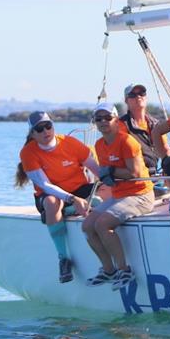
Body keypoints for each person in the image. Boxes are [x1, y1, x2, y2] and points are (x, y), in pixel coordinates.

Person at [15, 111, 103, 283]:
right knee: (52, 202)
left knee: (106, 192)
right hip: (50, 194)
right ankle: (63, 258)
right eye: (39, 129)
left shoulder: (70, 143)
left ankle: (69, 211)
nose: (45, 131)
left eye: (48, 126)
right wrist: (72, 199)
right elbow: (45, 185)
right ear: (32, 134)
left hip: (79, 189)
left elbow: (96, 170)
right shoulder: (28, 153)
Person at [82, 102, 155, 290]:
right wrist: (109, 175)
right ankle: (108, 270)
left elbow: (136, 173)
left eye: (108, 117)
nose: (103, 122)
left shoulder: (127, 142)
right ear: (95, 123)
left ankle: (124, 270)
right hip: (119, 195)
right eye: (99, 119)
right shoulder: (99, 145)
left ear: (116, 120)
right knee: (87, 225)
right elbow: (110, 176)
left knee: (102, 224)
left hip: (141, 194)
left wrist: (111, 171)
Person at [117, 83, 169, 196]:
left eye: (141, 93)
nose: (138, 97)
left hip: (155, 177)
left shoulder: (156, 124)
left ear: (146, 97)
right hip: (134, 180)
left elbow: (166, 152)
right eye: (133, 95)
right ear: (126, 100)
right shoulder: (121, 126)